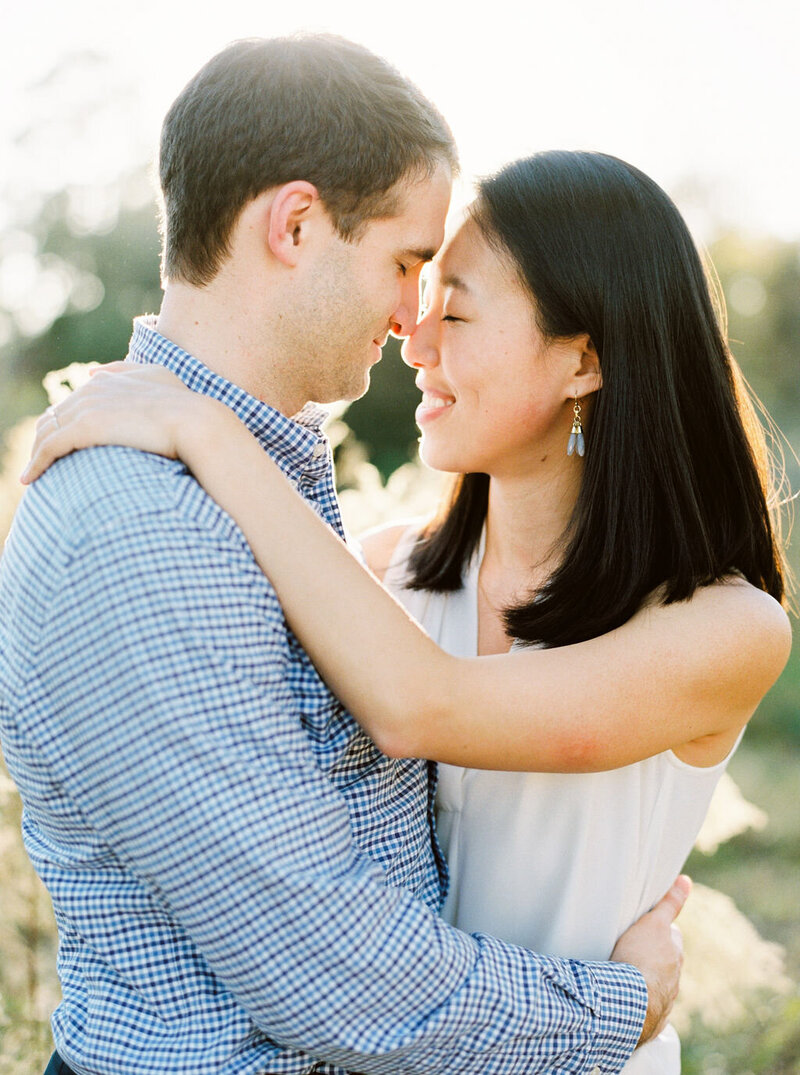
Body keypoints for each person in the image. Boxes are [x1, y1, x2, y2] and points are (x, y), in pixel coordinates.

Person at [0, 39, 686, 1075]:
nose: (416, 319)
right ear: (295, 224)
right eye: (406, 263)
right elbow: (329, 969)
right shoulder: (138, 525)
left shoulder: (248, 485)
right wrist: (615, 1005)